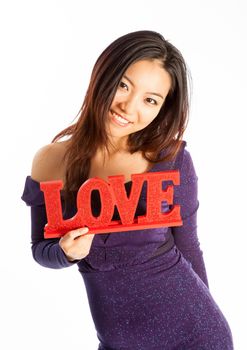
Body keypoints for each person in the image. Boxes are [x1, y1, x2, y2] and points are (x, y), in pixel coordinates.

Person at [21, 30, 234, 349]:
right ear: (103, 75)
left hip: (195, 335)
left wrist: (210, 318)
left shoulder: (172, 160)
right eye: (123, 85)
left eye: (150, 100)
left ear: (162, 108)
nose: (128, 107)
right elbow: (41, 249)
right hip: (116, 341)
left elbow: (188, 245)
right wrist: (66, 252)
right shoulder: (50, 161)